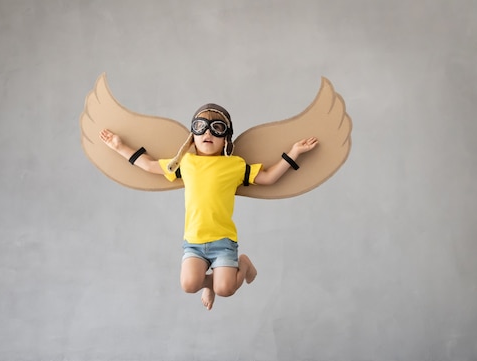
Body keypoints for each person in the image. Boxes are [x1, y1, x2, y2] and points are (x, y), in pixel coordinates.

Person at [100, 103, 318, 310]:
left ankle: (244, 264)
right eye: (200, 128)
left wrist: (294, 153)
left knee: (225, 289)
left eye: (217, 129)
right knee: (189, 285)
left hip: (223, 241)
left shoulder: (234, 165)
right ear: (192, 136)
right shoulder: (185, 163)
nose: (208, 134)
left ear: (226, 139)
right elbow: (148, 164)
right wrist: (119, 147)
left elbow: (269, 177)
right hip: (193, 242)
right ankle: (209, 285)